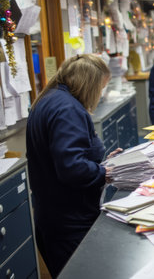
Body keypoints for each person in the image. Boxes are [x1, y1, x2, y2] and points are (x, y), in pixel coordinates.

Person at [26, 54, 122, 278]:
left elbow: (67, 156)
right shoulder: (68, 110)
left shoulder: (51, 99)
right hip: (68, 222)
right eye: (101, 87)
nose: (101, 94)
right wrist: (103, 172)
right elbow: (72, 168)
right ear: (90, 84)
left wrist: (105, 161)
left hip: (53, 217)